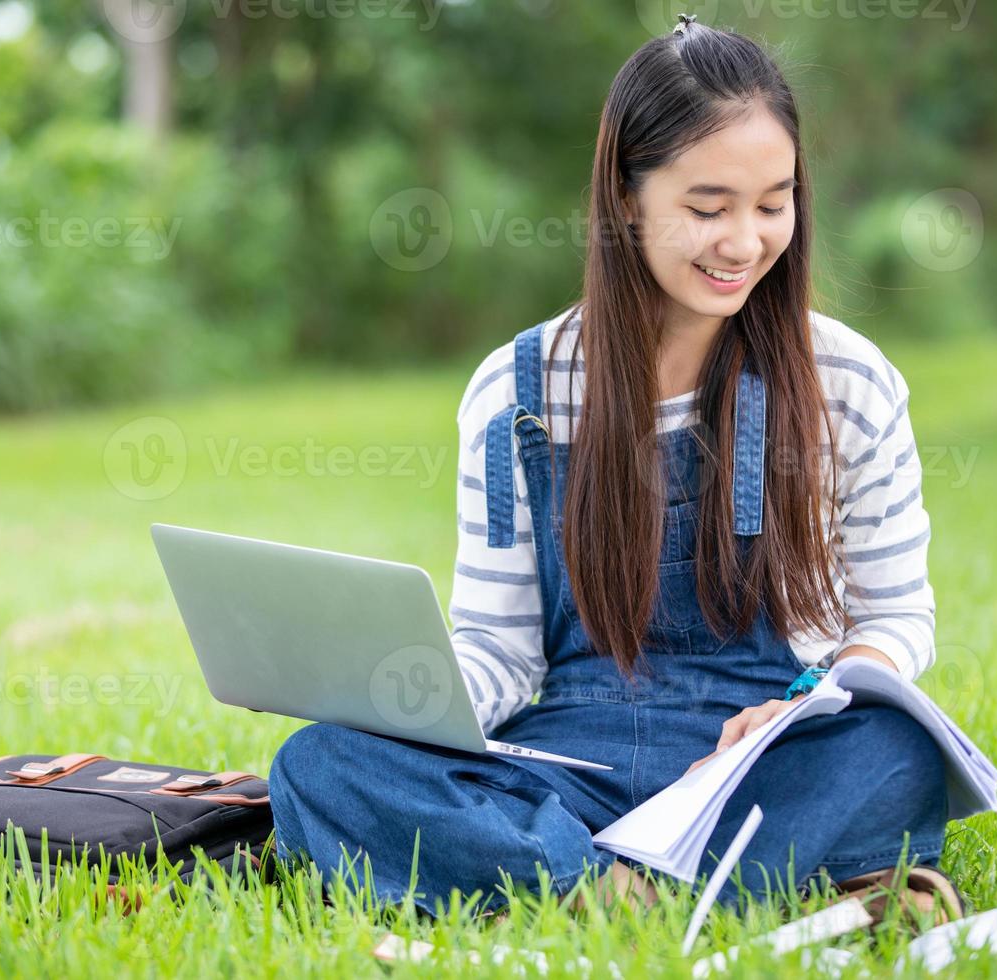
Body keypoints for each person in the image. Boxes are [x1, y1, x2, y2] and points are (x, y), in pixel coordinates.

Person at [267, 16, 948, 920]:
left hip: (757, 761)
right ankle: (709, 890)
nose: (744, 242)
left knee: (892, 749)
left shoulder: (848, 381)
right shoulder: (518, 390)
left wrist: (807, 705)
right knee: (322, 763)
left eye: (773, 202)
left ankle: (568, 886)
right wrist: (402, 704)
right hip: (569, 761)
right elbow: (499, 651)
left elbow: (895, 618)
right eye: (708, 208)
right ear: (626, 198)